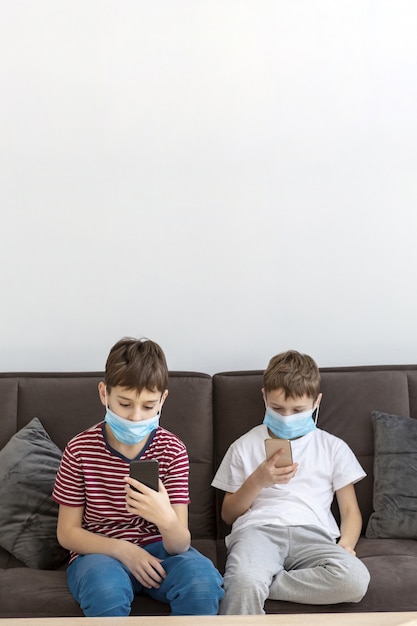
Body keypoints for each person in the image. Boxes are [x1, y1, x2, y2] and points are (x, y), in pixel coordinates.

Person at [53, 337, 224, 617]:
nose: (135, 417)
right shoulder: (79, 450)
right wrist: (123, 550)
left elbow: (180, 544)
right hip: (100, 553)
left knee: (203, 583)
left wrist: (165, 518)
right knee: (105, 591)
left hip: (161, 552)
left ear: (162, 400)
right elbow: (67, 532)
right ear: (104, 394)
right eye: (124, 404)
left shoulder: (172, 449)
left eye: (147, 406)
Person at [212, 350, 370, 615]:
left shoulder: (332, 447)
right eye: (277, 408)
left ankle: (263, 582)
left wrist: (346, 546)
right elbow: (228, 515)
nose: (286, 417)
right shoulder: (243, 446)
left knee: (354, 580)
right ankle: (249, 582)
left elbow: (351, 511)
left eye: (298, 410)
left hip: (314, 535)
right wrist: (257, 481)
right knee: (244, 582)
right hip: (258, 531)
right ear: (264, 397)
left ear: (316, 402)